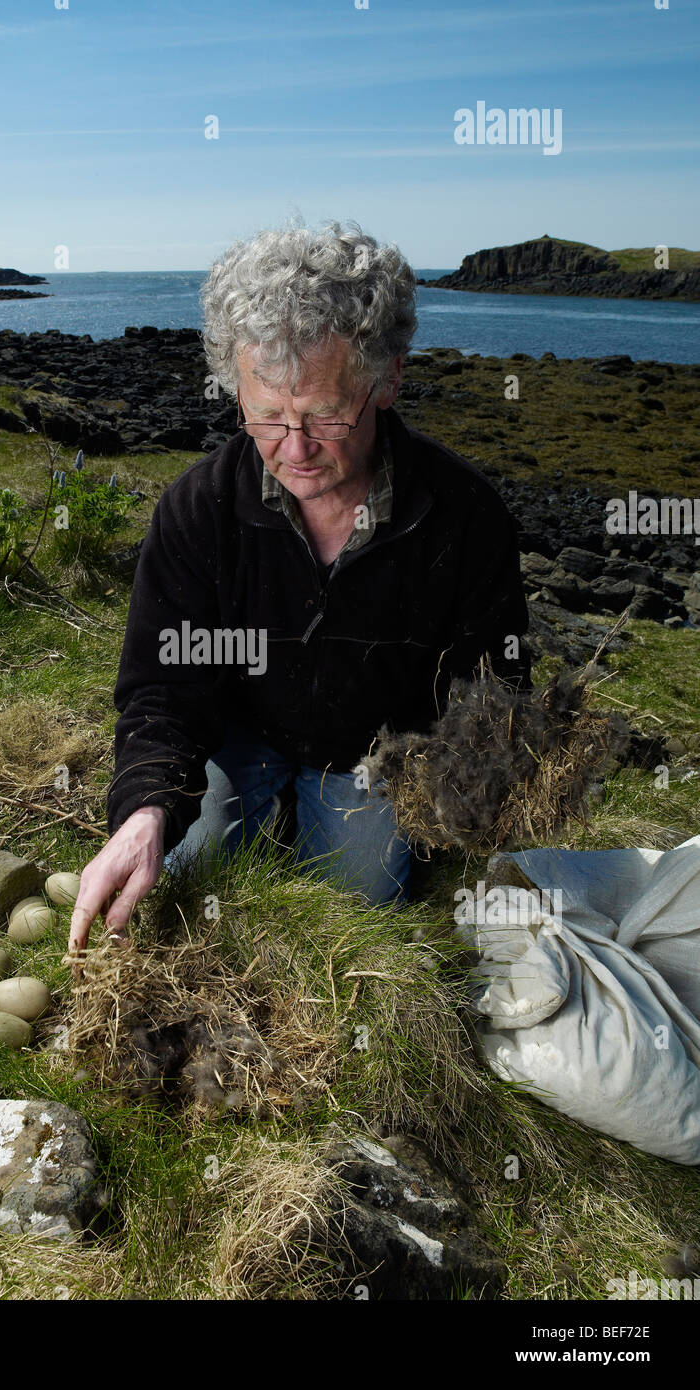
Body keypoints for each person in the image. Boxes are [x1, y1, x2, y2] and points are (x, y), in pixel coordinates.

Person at [67, 220, 530, 956]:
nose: (294, 448)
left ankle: (319, 817)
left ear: (387, 380)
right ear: (235, 385)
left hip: (374, 754)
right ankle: (247, 805)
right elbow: (162, 687)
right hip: (235, 736)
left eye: (323, 415)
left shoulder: (464, 518)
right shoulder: (198, 509)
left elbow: (492, 685)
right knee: (190, 876)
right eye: (267, 416)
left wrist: (446, 799)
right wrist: (145, 811)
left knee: (357, 912)